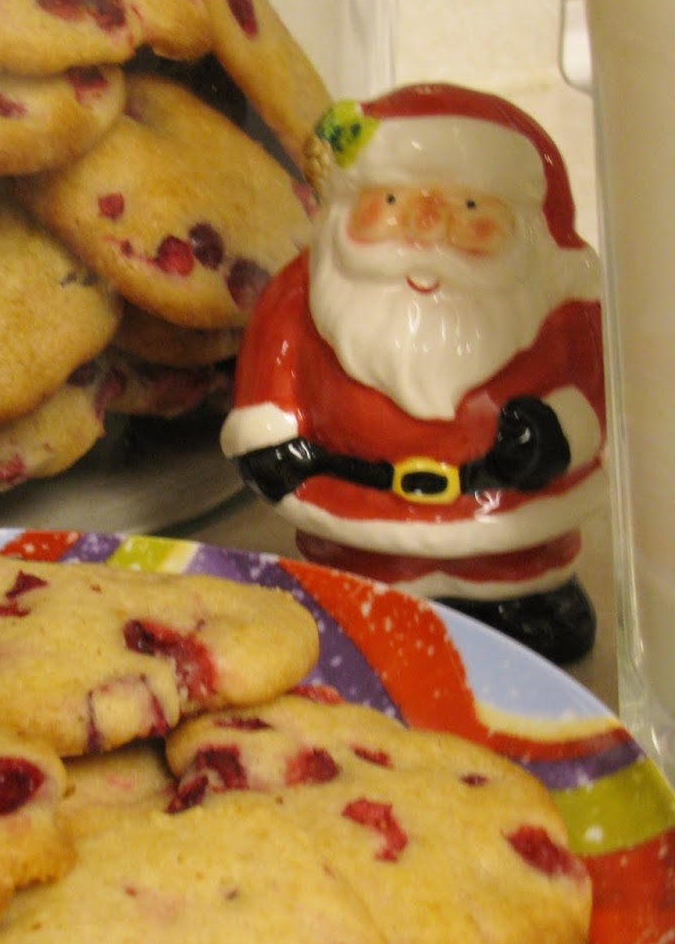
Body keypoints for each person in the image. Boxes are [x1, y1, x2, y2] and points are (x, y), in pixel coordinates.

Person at [221, 82, 605, 664]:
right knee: (346, 616)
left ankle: (524, 601)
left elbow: (593, 395)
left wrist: (556, 434)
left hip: (507, 525)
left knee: (525, 601)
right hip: (352, 532)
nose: (426, 227)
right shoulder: (304, 296)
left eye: (470, 208)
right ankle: (355, 604)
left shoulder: (554, 299)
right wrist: (269, 442)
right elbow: (265, 395)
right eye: (394, 204)